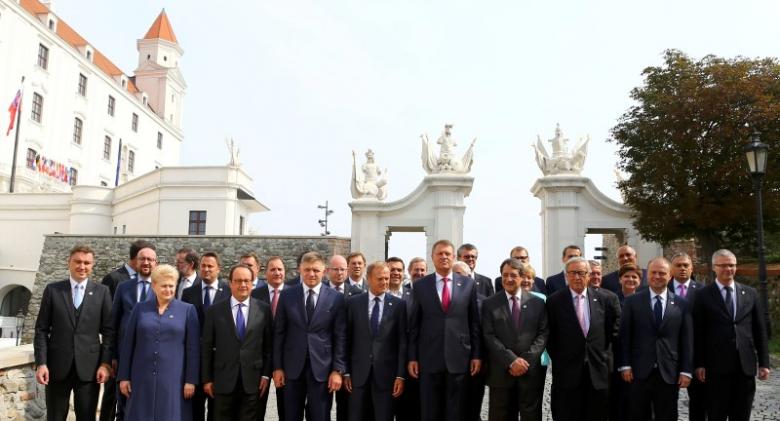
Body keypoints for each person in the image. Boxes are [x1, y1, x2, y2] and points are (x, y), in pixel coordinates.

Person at [34, 245, 113, 421]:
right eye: (77, 262)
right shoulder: (53, 290)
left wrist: (105, 364)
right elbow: (41, 330)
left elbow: (109, 332)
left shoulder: (102, 292)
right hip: (56, 367)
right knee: (55, 417)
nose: (82, 266)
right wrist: (41, 363)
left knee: (87, 417)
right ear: (68, 262)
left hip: (90, 369)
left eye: (87, 263)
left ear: (92, 265)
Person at [408, 239, 482, 421]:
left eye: (447, 253)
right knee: (430, 411)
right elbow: (414, 324)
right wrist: (412, 357)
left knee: (456, 412)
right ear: (432, 257)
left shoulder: (468, 284)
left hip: (459, 357)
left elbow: (474, 322)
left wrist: (476, 355)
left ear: (454, 257)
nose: (444, 257)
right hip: (429, 357)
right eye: (439, 253)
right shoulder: (420, 285)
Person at [693, 249, 770, 421]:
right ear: (714, 267)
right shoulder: (703, 295)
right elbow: (698, 332)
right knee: (716, 414)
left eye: (732, 265)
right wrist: (699, 363)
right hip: (715, 368)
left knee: (742, 414)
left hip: (745, 367)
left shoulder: (750, 293)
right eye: (723, 265)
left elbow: (759, 330)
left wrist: (764, 363)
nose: (728, 269)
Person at [118, 264, 200, 421]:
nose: (168, 290)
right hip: (141, 377)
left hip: (174, 379)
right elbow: (128, 345)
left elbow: (193, 349)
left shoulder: (187, 310)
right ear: (154, 286)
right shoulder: (139, 309)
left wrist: (191, 380)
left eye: (171, 286)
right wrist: (124, 377)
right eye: (164, 286)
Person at [273, 251, 347, 421]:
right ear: (300, 270)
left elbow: (340, 337)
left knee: (320, 416)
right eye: (307, 270)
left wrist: (337, 370)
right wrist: (277, 367)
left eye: (316, 270)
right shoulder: (287, 296)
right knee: (290, 416)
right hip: (291, 368)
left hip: (322, 369)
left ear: (324, 271)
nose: (311, 274)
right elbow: (279, 333)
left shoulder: (336, 298)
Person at [546, 257, 621, 421]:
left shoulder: (607, 299)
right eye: (572, 273)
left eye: (581, 273)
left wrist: (605, 359)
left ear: (588, 275)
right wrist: (561, 359)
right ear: (566, 275)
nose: (577, 277)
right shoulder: (554, 301)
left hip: (598, 371)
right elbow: (550, 337)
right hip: (567, 373)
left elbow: (614, 334)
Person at [618, 257, 692, 421]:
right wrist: (625, 365)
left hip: (669, 372)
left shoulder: (682, 304)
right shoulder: (632, 302)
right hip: (638, 371)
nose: (657, 276)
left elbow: (686, 340)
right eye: (653, 272)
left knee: (667, 415)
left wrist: (686, 370)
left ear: (670, 276)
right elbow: (625, 336)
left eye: (662, 273)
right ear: (647, 275)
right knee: (638, 415)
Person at [202, 264, 273, 421]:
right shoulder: (215, 311)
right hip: (222, 380)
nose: (243, 285)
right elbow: (206, 347)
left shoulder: (263, 309)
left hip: (253, 381)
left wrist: (266, 375)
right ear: (230, 283)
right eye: (238, 280)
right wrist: (207, 379)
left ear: (252, 283)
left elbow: (268, 347)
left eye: (247, 281)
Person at [482, 258, 548, 421]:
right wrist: (511, 361)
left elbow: (543, 334)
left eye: (513, 275)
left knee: (531, 416)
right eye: (505, 275)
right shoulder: (489, 304)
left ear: (522, 277)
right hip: (501, 372)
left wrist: (525, 361)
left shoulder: (537, 303)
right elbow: (488, 335)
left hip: (529, 371)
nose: (508, 279)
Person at [344, 261, 407, 421]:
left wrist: (400, 375)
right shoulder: (353, 303)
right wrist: (346, 371)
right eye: (380, 279)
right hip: (358, 375)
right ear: (369, 278)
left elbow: (402, 342)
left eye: (387, 278)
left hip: (386, 376)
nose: (385, 282)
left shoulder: (399, 305)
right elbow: (346, 339)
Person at [99, 239, 152, 421]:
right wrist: (111, 356)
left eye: (150, 259)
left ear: (156, 263)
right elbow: (112, 323)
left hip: (149, 356)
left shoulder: (162, 287)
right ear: (135, 260)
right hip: (123, 356)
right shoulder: (122, 285)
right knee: (120, 400)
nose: (146, 263)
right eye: (142, 259)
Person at [182, 251, 231, 421]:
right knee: (195, 410)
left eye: (210, 266)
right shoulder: (188, 293)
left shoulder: (228, 292)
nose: (206, 269)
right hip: (195, 360)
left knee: (217, 412)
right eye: (203, 265)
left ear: (218, 269)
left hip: (220, 363)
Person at [456, 243, 493, 421]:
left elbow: (489, 322)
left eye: (473, 257)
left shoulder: (485, 283)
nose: (470, 259)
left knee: (473, 405)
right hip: (452, 356)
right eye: (466, 256)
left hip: (476, 355)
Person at [668, 252, 705, 421]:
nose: (682, 268)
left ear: (692, 268)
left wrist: (703, 361)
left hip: (696, 356)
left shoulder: (704, 292)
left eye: (686, 265)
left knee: (699, 402)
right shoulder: (662, 289)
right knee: (666, 404)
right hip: (669, 355)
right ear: (671, 269)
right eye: (678, 265)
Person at [251, 256, 289, 421]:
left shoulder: (294, 294)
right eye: (272, 269)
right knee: (256, 408)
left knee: (286, 409)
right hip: (260, 359)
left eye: (280, 269)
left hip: (286, 360)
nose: (277, 272)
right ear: (265, 272)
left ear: (285, 272)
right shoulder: (254, 295)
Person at [324, 254, 360, 421]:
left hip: (347, 358)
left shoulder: (357, 294)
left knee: (345, 406)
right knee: (319, 407)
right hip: (321, 357)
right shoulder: (319, 290)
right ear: (327, 271)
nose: (339, 273)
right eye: (335, 269)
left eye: (342, 269)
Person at [520, 263, 551, 417]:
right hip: (513, 358)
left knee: (534, 401)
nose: (526, 280)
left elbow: (544, 330)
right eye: (523, 276)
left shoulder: (542, 299)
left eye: (529, 277)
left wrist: (530, 355)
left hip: (537, 357)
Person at [398, 256, 426, 421]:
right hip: (406, 354)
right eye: (416, 270)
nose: (419, 273)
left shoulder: (432, 291)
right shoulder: (404, 294)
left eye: (422, 270)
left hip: (425, 355)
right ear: (409, 271)